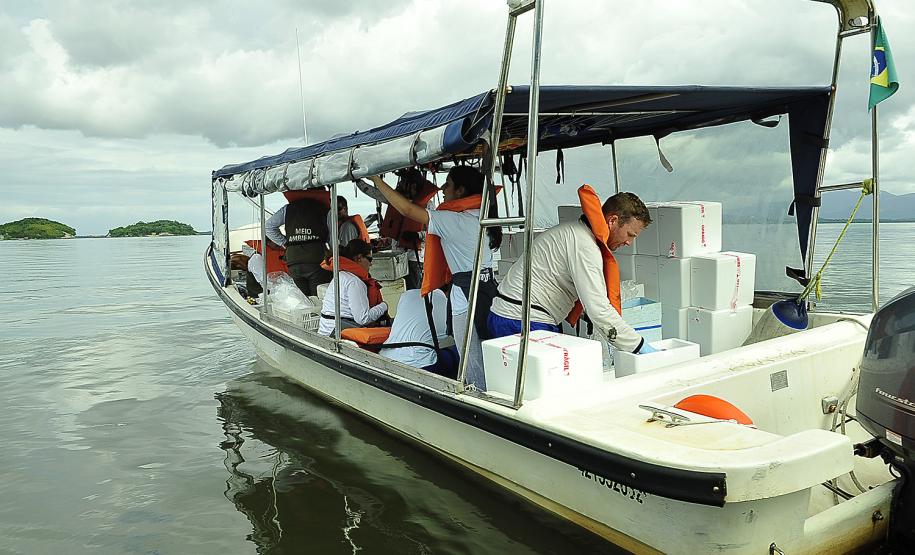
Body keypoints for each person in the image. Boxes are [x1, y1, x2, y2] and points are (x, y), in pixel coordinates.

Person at [367, 166, 501, 389]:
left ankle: (478, 400)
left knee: (472, 358)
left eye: (447, 184)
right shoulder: (484, 216)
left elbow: (408, 210)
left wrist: (375, 179)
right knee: (487, 349)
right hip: (488, 289)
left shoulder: (454, 220)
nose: (442, 188)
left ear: (460, 190)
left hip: (466, 297)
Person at [488, 187, 658, 355]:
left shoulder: (576, 233)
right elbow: (599, 310)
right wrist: (640, 346)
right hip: (521, 323)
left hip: (513, 316)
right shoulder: (585, 246)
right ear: (613, 220)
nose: (629, 242)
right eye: (629, 234)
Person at [379, 289, 458, 378]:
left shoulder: (407, 295)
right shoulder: (451, 307)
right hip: (418, 364)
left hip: (385, 355)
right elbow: (461, 337)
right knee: (458, 352)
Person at [317, 239, 388, 336]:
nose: (371, 264)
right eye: (369, 259)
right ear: (359, 258)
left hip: (325, 331)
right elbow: (363, 319)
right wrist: (384, 306)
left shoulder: (340, 275)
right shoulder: (354, 282)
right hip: (338, 334)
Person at [266, 194, 331, 296]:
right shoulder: (324, 209)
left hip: (294, 260)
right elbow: (331, 234)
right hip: (316, 259)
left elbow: (268, 227)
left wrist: (286, 243)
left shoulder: (288, 209)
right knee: (320, 297)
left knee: (303, 299)